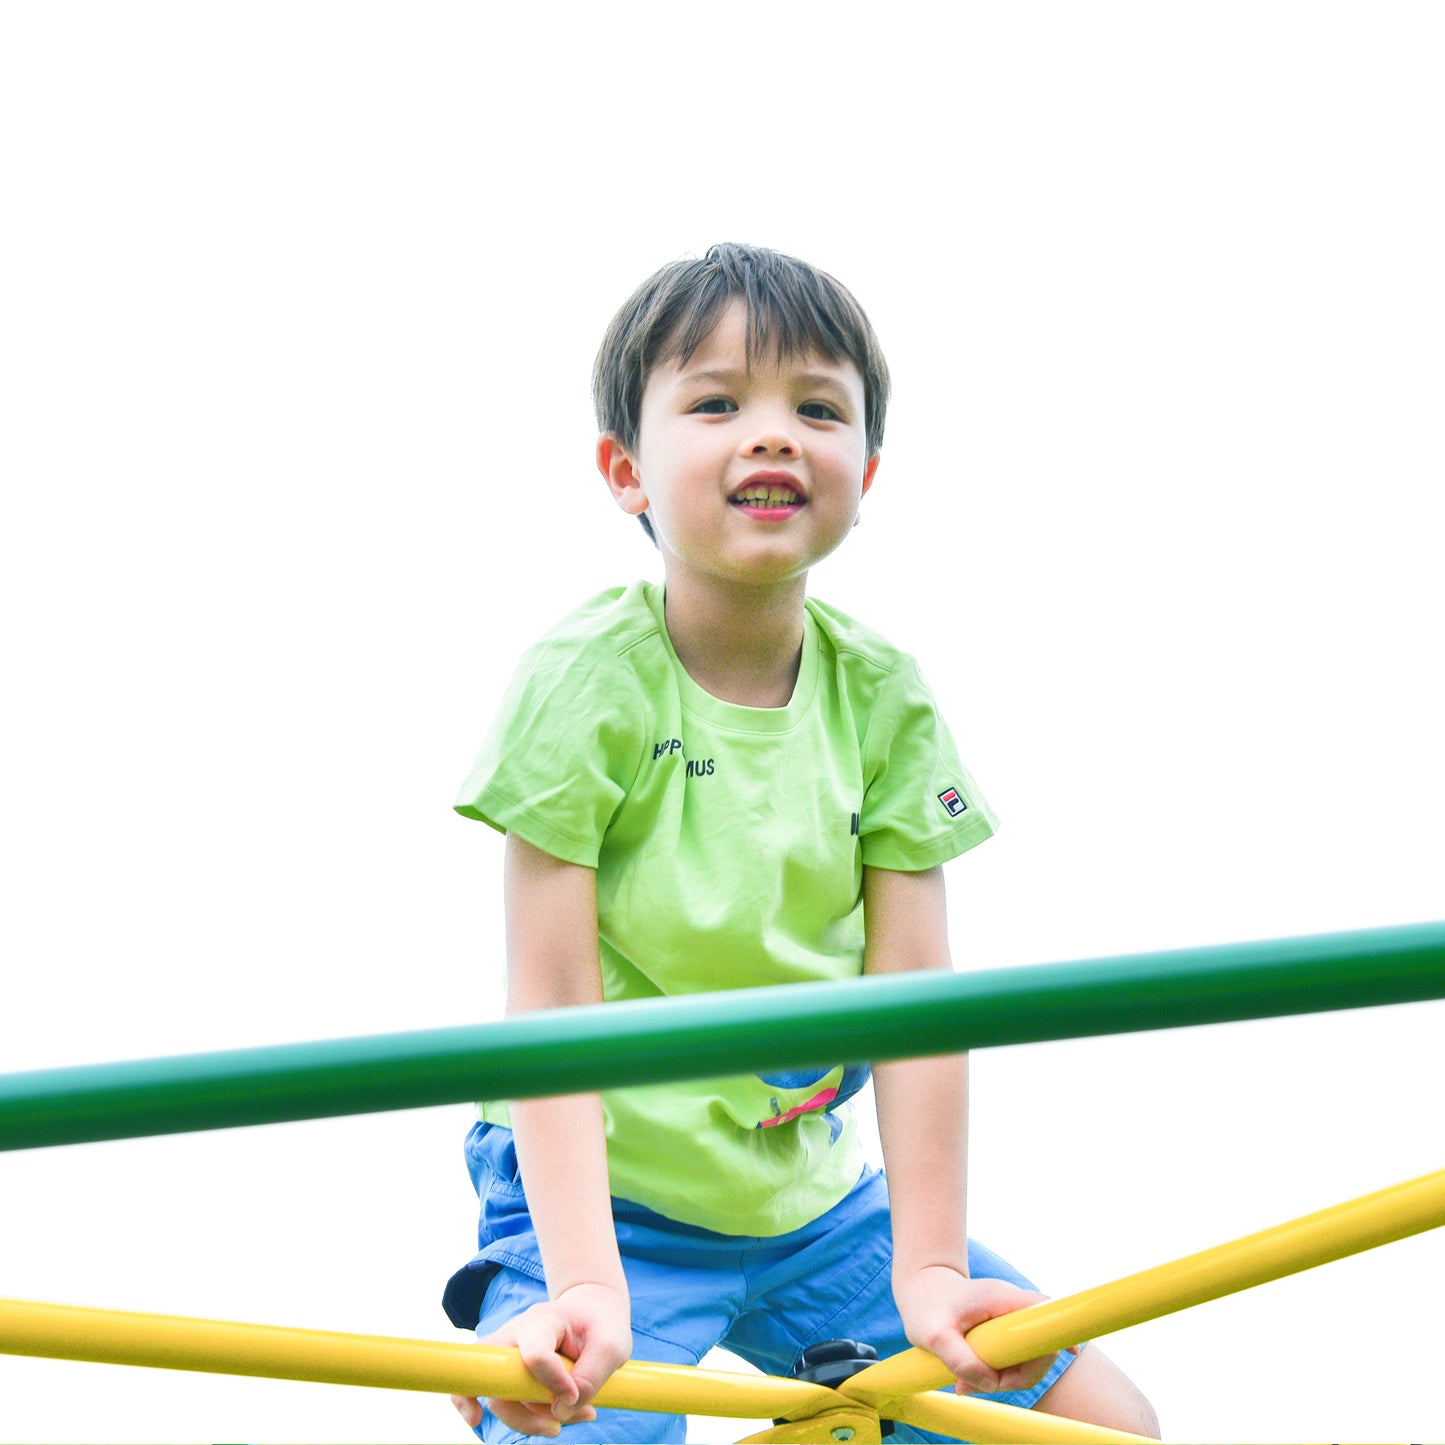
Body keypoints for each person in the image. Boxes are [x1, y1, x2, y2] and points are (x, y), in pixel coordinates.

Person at [443, 243, 1159, 1443]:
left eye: (814, 408)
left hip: (807, 1205)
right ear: (625, 469)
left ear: (865, 469)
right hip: (603, 1196)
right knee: (567, 1425)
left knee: (1100, 1421)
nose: (771, 434)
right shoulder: (584, 683)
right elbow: (549, 1006)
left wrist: (926, 1267)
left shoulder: (881, 696)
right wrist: (578, 1285)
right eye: (716, 402)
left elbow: (915, 1003)